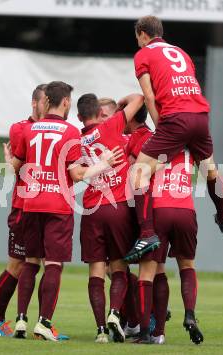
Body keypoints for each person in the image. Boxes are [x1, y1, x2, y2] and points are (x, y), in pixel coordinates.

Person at [9, 81, 123, 341]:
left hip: (30, 202)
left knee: (30, 262)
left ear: (46, 101)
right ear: (66, 103)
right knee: (53, 264)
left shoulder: (29, 130)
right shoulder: (71, 132)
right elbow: (78, 173)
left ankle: (21, 320)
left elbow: (15, 166)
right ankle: (45, 322)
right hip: (57, 204)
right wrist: (104, 163)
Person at [125, 15, 223, 262]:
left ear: (142, 33)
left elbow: (149, 96)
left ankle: (147, 234)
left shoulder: (143, 54)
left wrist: (162, 127)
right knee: (210, 172)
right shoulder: (181, 53)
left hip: (175, 119)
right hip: (200, 117)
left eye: (138, 37)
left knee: (138, 173)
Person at [126, 107, 201, 345]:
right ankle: (189, 314)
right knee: (186, 265)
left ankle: (150, 333)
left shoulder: (152, 141)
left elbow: (134, 170)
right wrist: (222, 213)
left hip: (159, 210)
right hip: (186, 209)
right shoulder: (193, 143)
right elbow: (213, 174)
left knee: (149, 272)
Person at [77, 92, 144, 343]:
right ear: (99, 112)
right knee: (118, 267)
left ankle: (101, 330)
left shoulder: (75, 140)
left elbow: (75, 173)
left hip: (92, 208)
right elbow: (139, 98)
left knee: (96, 270)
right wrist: (119, 108)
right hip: (118, 209)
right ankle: (115, 313)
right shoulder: (114, 124)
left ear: (79, 116)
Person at [0, 84, 47, 337]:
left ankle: (43, 325)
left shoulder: (56, 130)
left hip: (49, 207)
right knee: (18, 264)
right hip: (24, 207)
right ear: (34, 103)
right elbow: (15, 168)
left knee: (52, 265)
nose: (51, 105)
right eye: (47, 101)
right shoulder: (21, 128)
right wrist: (10, 162)